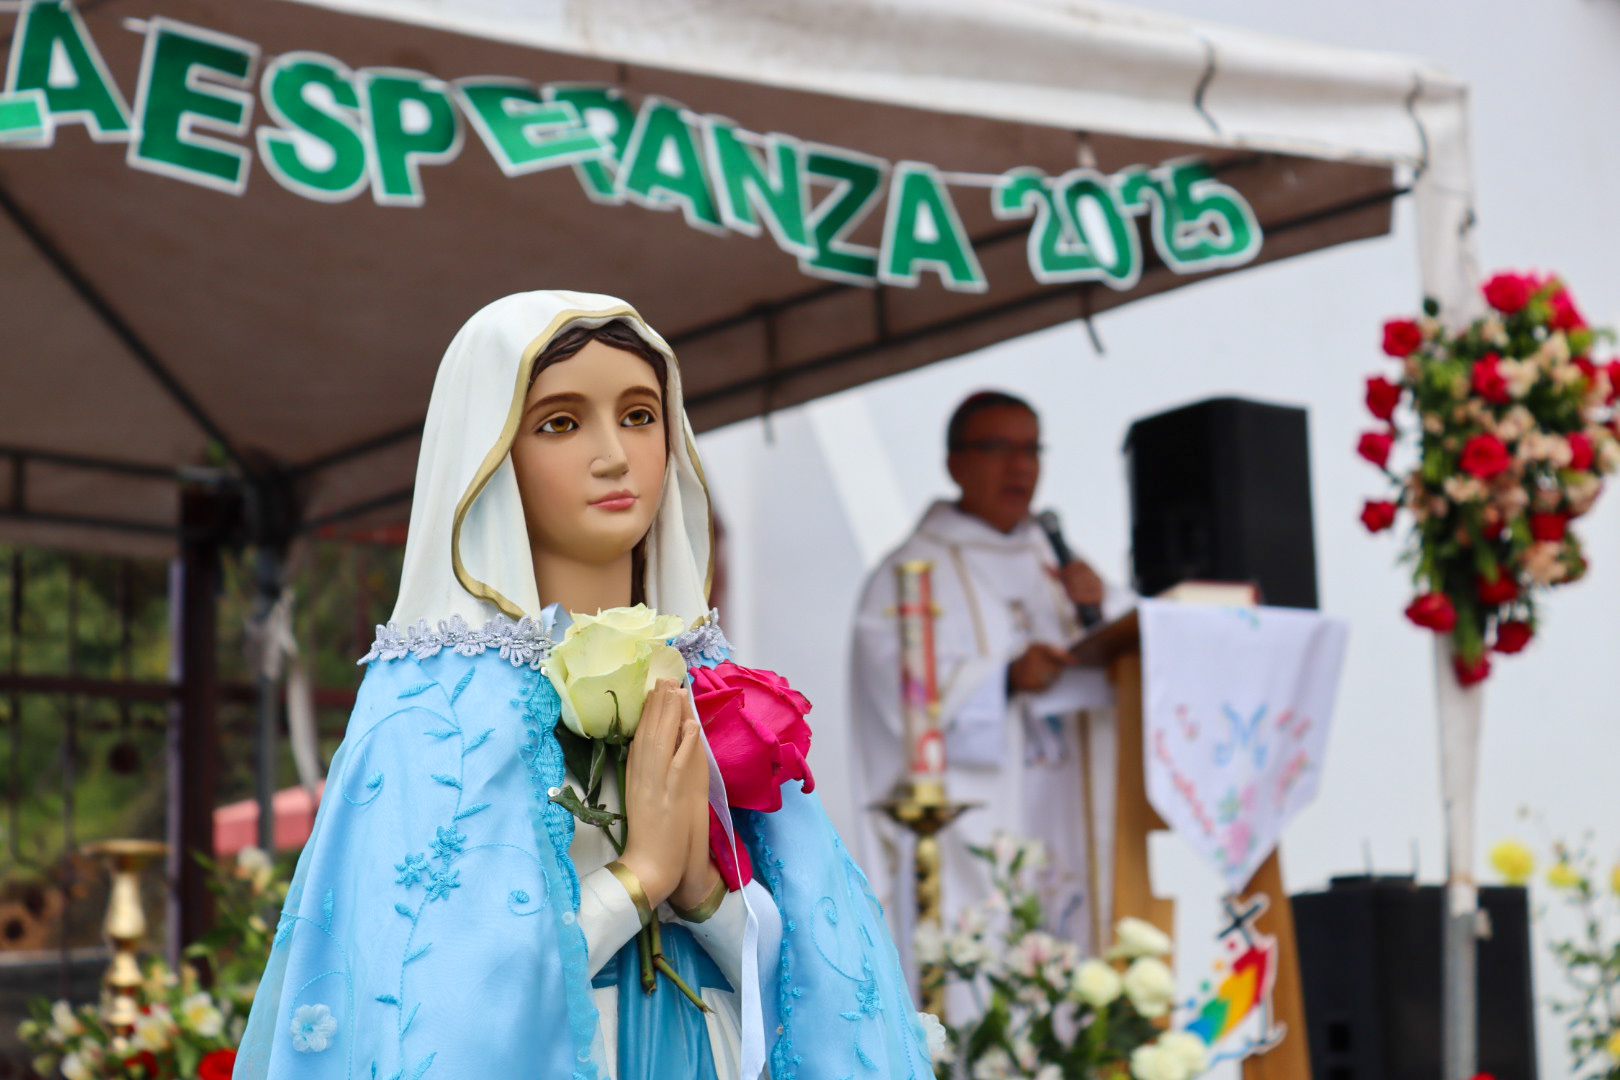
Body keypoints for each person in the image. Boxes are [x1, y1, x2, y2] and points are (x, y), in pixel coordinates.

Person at [236, 292, 933, 1080]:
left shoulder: (707, 678)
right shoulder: (436, 706)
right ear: (489, 452)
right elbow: (434, 1005)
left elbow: (823, 973)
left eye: (639, 415)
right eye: (561, 423)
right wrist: (638, 881)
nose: (616, 455)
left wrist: (704, 893)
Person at [848, 390, 1132, 972]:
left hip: (1063, 804)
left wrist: (1097, 606)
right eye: (1000, 447)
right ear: (955, 462)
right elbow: (889, 692)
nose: (1021, 466)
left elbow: (1130, 638)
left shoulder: (1060, 566)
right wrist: (1003, 679)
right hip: (970, 827)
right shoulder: (907, 570)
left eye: (1031, 449)